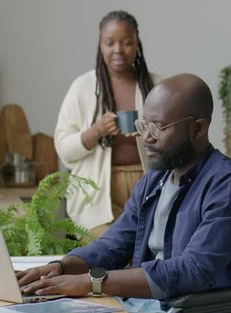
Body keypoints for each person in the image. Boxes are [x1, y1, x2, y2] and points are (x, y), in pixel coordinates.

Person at [19, 73, 231, 313]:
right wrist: (60, 268)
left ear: (198, 128)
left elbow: (192, 271)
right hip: (139, 308)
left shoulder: (229, 185)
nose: (147, 138)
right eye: (143, 125)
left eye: (157, 127)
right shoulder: (154, 180)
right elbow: (113, 246)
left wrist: (90, 282)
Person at [54, 10, 161, 237]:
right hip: (97, 197)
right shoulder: (82, 87)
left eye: (127, 42)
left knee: (145, 256)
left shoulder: (157, 86)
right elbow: (64, 148)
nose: (118, 50)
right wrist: (96, 131)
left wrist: (153, 134)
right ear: (100, 45)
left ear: (137, 44)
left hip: (149, 188)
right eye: (110, 43)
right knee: (106, 255)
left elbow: (178, 139)